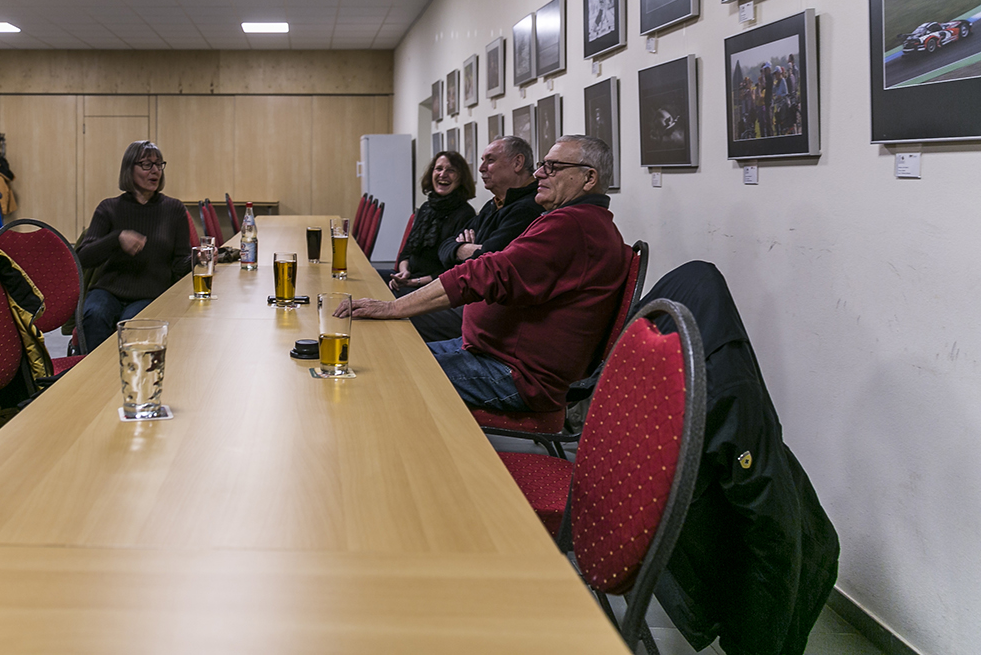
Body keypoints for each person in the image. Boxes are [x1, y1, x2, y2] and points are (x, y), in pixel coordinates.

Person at [342, 135, 630, 414]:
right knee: (380, 354)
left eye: (553, 167)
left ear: (588, 178)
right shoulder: (577, 222)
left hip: (513, 373)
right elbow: (486, 264)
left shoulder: (571, 226)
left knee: (380, 370)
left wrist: (393, 307)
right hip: (487, 350)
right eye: (543, 164)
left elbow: (485, 271)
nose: (539, 173)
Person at [636, 261, 839, 655]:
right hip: (681, 513)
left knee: (798, 523)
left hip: (652, 486)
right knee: (810, 542)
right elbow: (774, 533)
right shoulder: (728, 383)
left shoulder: (673, 323)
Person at [408, 136, 543, 343]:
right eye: (482, 160)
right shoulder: (494, 204)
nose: (481, 168)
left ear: (517, 163)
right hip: (468, 296)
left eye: (490, 160)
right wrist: (464, 248)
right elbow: (445, 247)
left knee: (404, 318)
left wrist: (463, 248)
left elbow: (487, 262)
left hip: (487, 310)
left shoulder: (527, 208)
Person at [77, 140, 192, 353]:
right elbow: (82, 257)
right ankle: (92, 371)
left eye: (159, 164)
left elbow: (179, 265)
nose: (155, 171)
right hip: (109, 290)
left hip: (151, 293)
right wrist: (116, 239)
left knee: (133, 324)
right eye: (147, 164)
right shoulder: (109, 208)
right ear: (129, 169)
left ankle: (128, 372)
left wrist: (199, 258)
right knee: (95, 314)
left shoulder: (173, 209)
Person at [387, 151, 477, 296]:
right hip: (408, 278)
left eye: (451, 170)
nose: (443, 174)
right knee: (366, 281)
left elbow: (455, 269)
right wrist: (403, 273)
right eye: (439, 169)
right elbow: (406, 252)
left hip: (434, 288)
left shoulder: (466, 214)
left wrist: (415, 282)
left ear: (461, 178)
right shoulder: (426, 207)